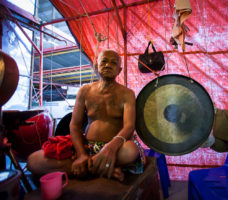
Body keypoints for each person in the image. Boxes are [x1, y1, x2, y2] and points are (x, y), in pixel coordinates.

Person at [27, 49, 145, 181]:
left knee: (130, 150)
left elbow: (129, 126)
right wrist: (82, 154)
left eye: (113, 63)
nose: (108, 65)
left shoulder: (127, 94)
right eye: (104, 61)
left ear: (119, 70)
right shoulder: (85, 91)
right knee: (33, 161)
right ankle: (100, 168)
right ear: (96, 66)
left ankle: (88, 168)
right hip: (87, 146)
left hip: (116, 148)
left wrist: (110, 148)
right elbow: (74, 126)